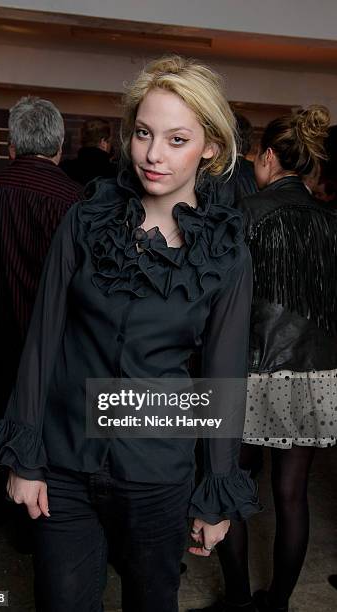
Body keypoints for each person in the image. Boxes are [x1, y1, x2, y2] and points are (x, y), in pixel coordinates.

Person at [0, 56, 260, 612]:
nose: (154, 154)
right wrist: (25, 455)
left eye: (177, 139)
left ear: (211, 148)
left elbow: (224, 376)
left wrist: (216, 493)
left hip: (157, 474)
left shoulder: (226, 255)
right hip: (64, 464)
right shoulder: (85, 219)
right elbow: (43, 339)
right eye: (144, 134)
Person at [191, 106, 337, 612]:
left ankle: (235, 601)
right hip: (315, 375)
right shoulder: (332, 222)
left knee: (230, 486)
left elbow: (219, 304)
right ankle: (276, 603)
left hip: (252, 372)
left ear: (269, 157)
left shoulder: (245, 215)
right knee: (292, 497)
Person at [0, 97, 82, 541]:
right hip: (53, 339)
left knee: (0, 414)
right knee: (42, 426)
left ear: (11, 147)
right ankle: (31, 523)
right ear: (59, 145)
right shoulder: (74, 200)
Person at [60, 118, 117, 185]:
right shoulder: (114, 173)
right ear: (103, 142)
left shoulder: (65, 167)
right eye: (109, 141)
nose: (111, 145)